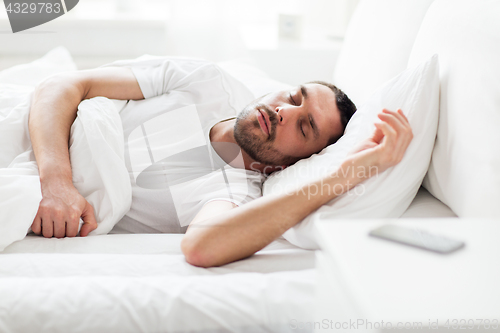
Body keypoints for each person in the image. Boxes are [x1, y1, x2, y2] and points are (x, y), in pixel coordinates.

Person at [28, 57, 412, 267]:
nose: (283, 111)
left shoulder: (234, 191)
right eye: (296, 97)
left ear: (296, 163)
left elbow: (202, 247)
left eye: (305, 126)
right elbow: (62, 86)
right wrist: (58, 180)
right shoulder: (207, 82)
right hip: (36, 136)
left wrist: (346, 175)